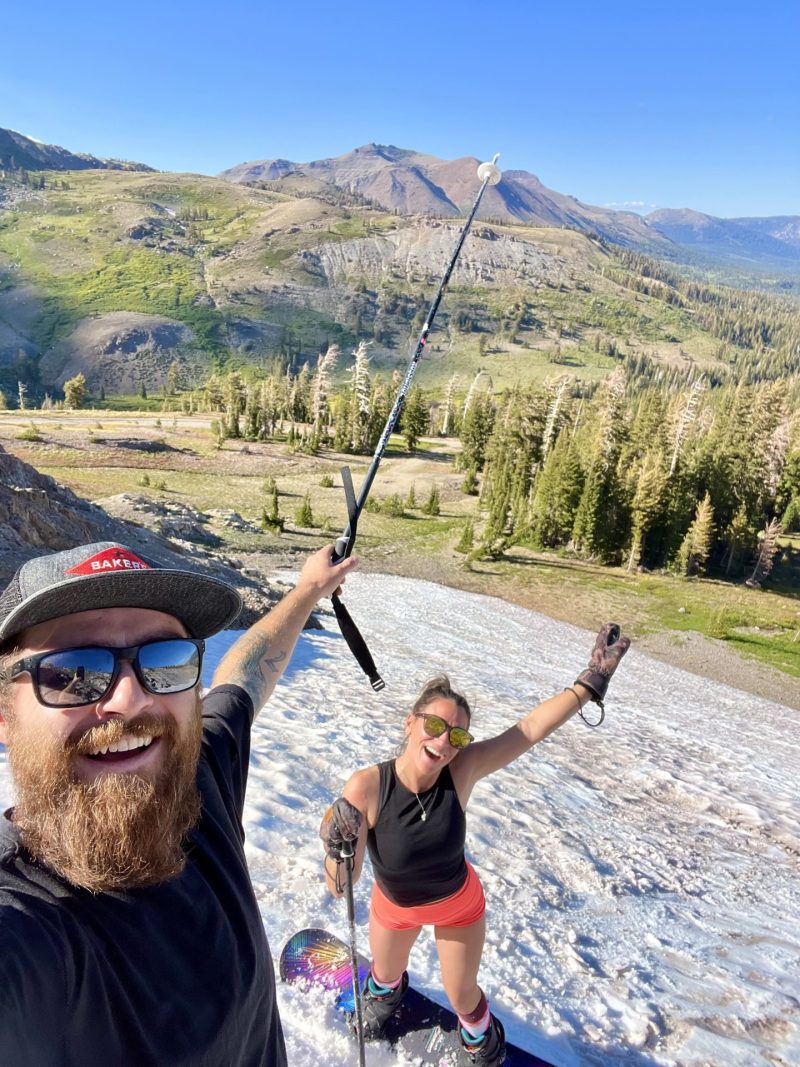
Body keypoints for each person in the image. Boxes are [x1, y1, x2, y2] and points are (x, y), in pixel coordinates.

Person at [0, 539, 357, 1066]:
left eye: (164, 659)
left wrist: (307, 590)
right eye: (72, 672)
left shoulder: (196, 780)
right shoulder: (27, 926)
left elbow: (243, 680)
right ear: (5, 715)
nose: (131, 698)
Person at [320, 624, 630, 1067]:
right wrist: (337, 849)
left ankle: (481, 1038)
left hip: (457, 904)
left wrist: (590, 683)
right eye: (434, 725)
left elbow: (527, 730)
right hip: (395, 906)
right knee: (385, 974)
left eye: (457, 735)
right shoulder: (368, 786)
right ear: (411, 722)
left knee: (461, 994)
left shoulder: (461, 771)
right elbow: (340, 886)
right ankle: (382, 996)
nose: (444, 741)